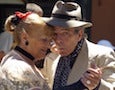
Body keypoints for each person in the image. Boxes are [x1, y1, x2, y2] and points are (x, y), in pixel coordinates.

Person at [42, 1, 115, 90]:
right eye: (54, 34)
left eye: (65, 33)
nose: (58, 40)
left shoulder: (102, 56)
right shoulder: (51, 58)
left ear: (79, 34)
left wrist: (98, 85)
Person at [0, 11, 54, 90]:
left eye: (50, 40)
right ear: (24, 37)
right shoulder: (18, 68)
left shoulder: (16, 60)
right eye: (44, 40)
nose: (48, 45)